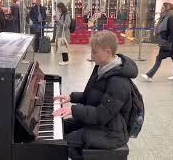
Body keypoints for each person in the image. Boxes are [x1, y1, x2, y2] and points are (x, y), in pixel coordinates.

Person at [52, 31, 138, 160]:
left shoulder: (119, 82)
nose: (91, 56)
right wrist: (71, 97)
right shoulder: (102, 67)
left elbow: (101, 115)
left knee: (63, 144)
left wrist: (73, 109)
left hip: (111, 131)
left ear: (108, 52)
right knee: (61, 127)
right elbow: (92, 96)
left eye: (95, 52)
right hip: (98, 122)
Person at [141, 2, 173, 81]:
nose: (161, 9)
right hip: (168, 43)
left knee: (159, 58)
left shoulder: (171, 18)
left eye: (163, 8)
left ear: (167, 9)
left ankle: (149, 75)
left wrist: (167, 43)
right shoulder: (164, 18)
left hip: (169, 44)